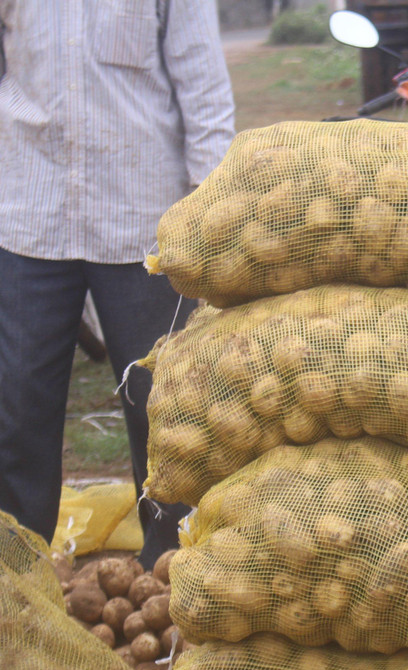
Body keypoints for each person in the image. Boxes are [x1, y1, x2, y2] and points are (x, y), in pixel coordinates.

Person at [0, 0, 236, 569]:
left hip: (142, 218)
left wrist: (211, 210)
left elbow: (202, 83)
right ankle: (18, 577)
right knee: (17, 406)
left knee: (162, 408)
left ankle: (170, 575)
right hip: (27, 209)